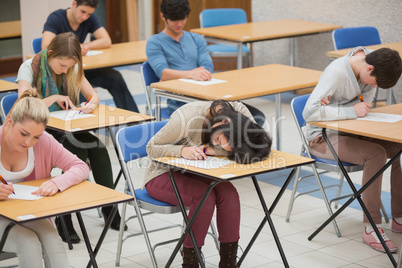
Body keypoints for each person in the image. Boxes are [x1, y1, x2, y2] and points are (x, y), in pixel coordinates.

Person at [16, 32, 126, 245]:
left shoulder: (72, 67)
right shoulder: (29, 67)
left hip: (68, 126)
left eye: (69, 67)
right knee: (79, 151)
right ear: (50, 54)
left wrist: (91, 104)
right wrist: (54, 98)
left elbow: (94, 95)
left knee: (100, 148)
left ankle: (108, 206)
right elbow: (23, 105)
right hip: (39, 131)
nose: (65, 71)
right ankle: (64, 216)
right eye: (61, 66)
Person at [145, 99, 272, 267]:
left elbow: (258, 145)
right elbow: (151, 147)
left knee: (229, 193)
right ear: (223, 122)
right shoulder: (186, 118)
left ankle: (228, 262)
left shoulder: (239, 113)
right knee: (204, 197)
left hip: (197, 170)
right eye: (218, 139)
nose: (217, 144)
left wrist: (213, 150)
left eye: (224, 146)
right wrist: (182, 150)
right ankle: (190, 262)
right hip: (161, 173)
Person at [303, 46, 402, 253]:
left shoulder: (372, 61)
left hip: (351, 131)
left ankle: (399, 217)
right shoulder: (337, 72)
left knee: (398, 148)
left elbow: (363, 107)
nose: (372, 87)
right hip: (322, 138)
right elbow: (310, 113)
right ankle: (371, 227)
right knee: (376, 153)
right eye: (374, 82)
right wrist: (350, 110)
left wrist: (340, 110)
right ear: (369, 68)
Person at [0, 88, 90, 268]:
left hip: (26, 211)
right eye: (24, 134)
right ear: (9, 121)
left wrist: (57, 182)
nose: (28, 142)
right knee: (28, 243)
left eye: (36, 137)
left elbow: (80, 166)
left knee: (52, 241)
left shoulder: (44, 142)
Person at [146, 0, 266, 127]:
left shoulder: (196, 38)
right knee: (228, 123)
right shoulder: (155, 42)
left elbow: (208, 65)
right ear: (163, 16)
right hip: (179, 100)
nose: (180, 24)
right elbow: (163, 73)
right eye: (174, 20)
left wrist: (201, 73)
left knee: (255, 118)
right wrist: (192, 74)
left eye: (183, 19)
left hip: (208, 94)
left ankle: (236, 145)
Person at [41, 0, 139, 113]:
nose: (84, 17)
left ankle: (134, 119)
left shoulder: (89, 18)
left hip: (82, 69)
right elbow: (45, 46)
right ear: (74, 4)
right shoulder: (56, 18)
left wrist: (84, 46)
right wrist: (71, 50)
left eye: (88, 14)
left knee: (115, 77)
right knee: (78, 91)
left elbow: (106, 41)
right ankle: (81, 123)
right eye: (82, 11)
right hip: (64, 71)